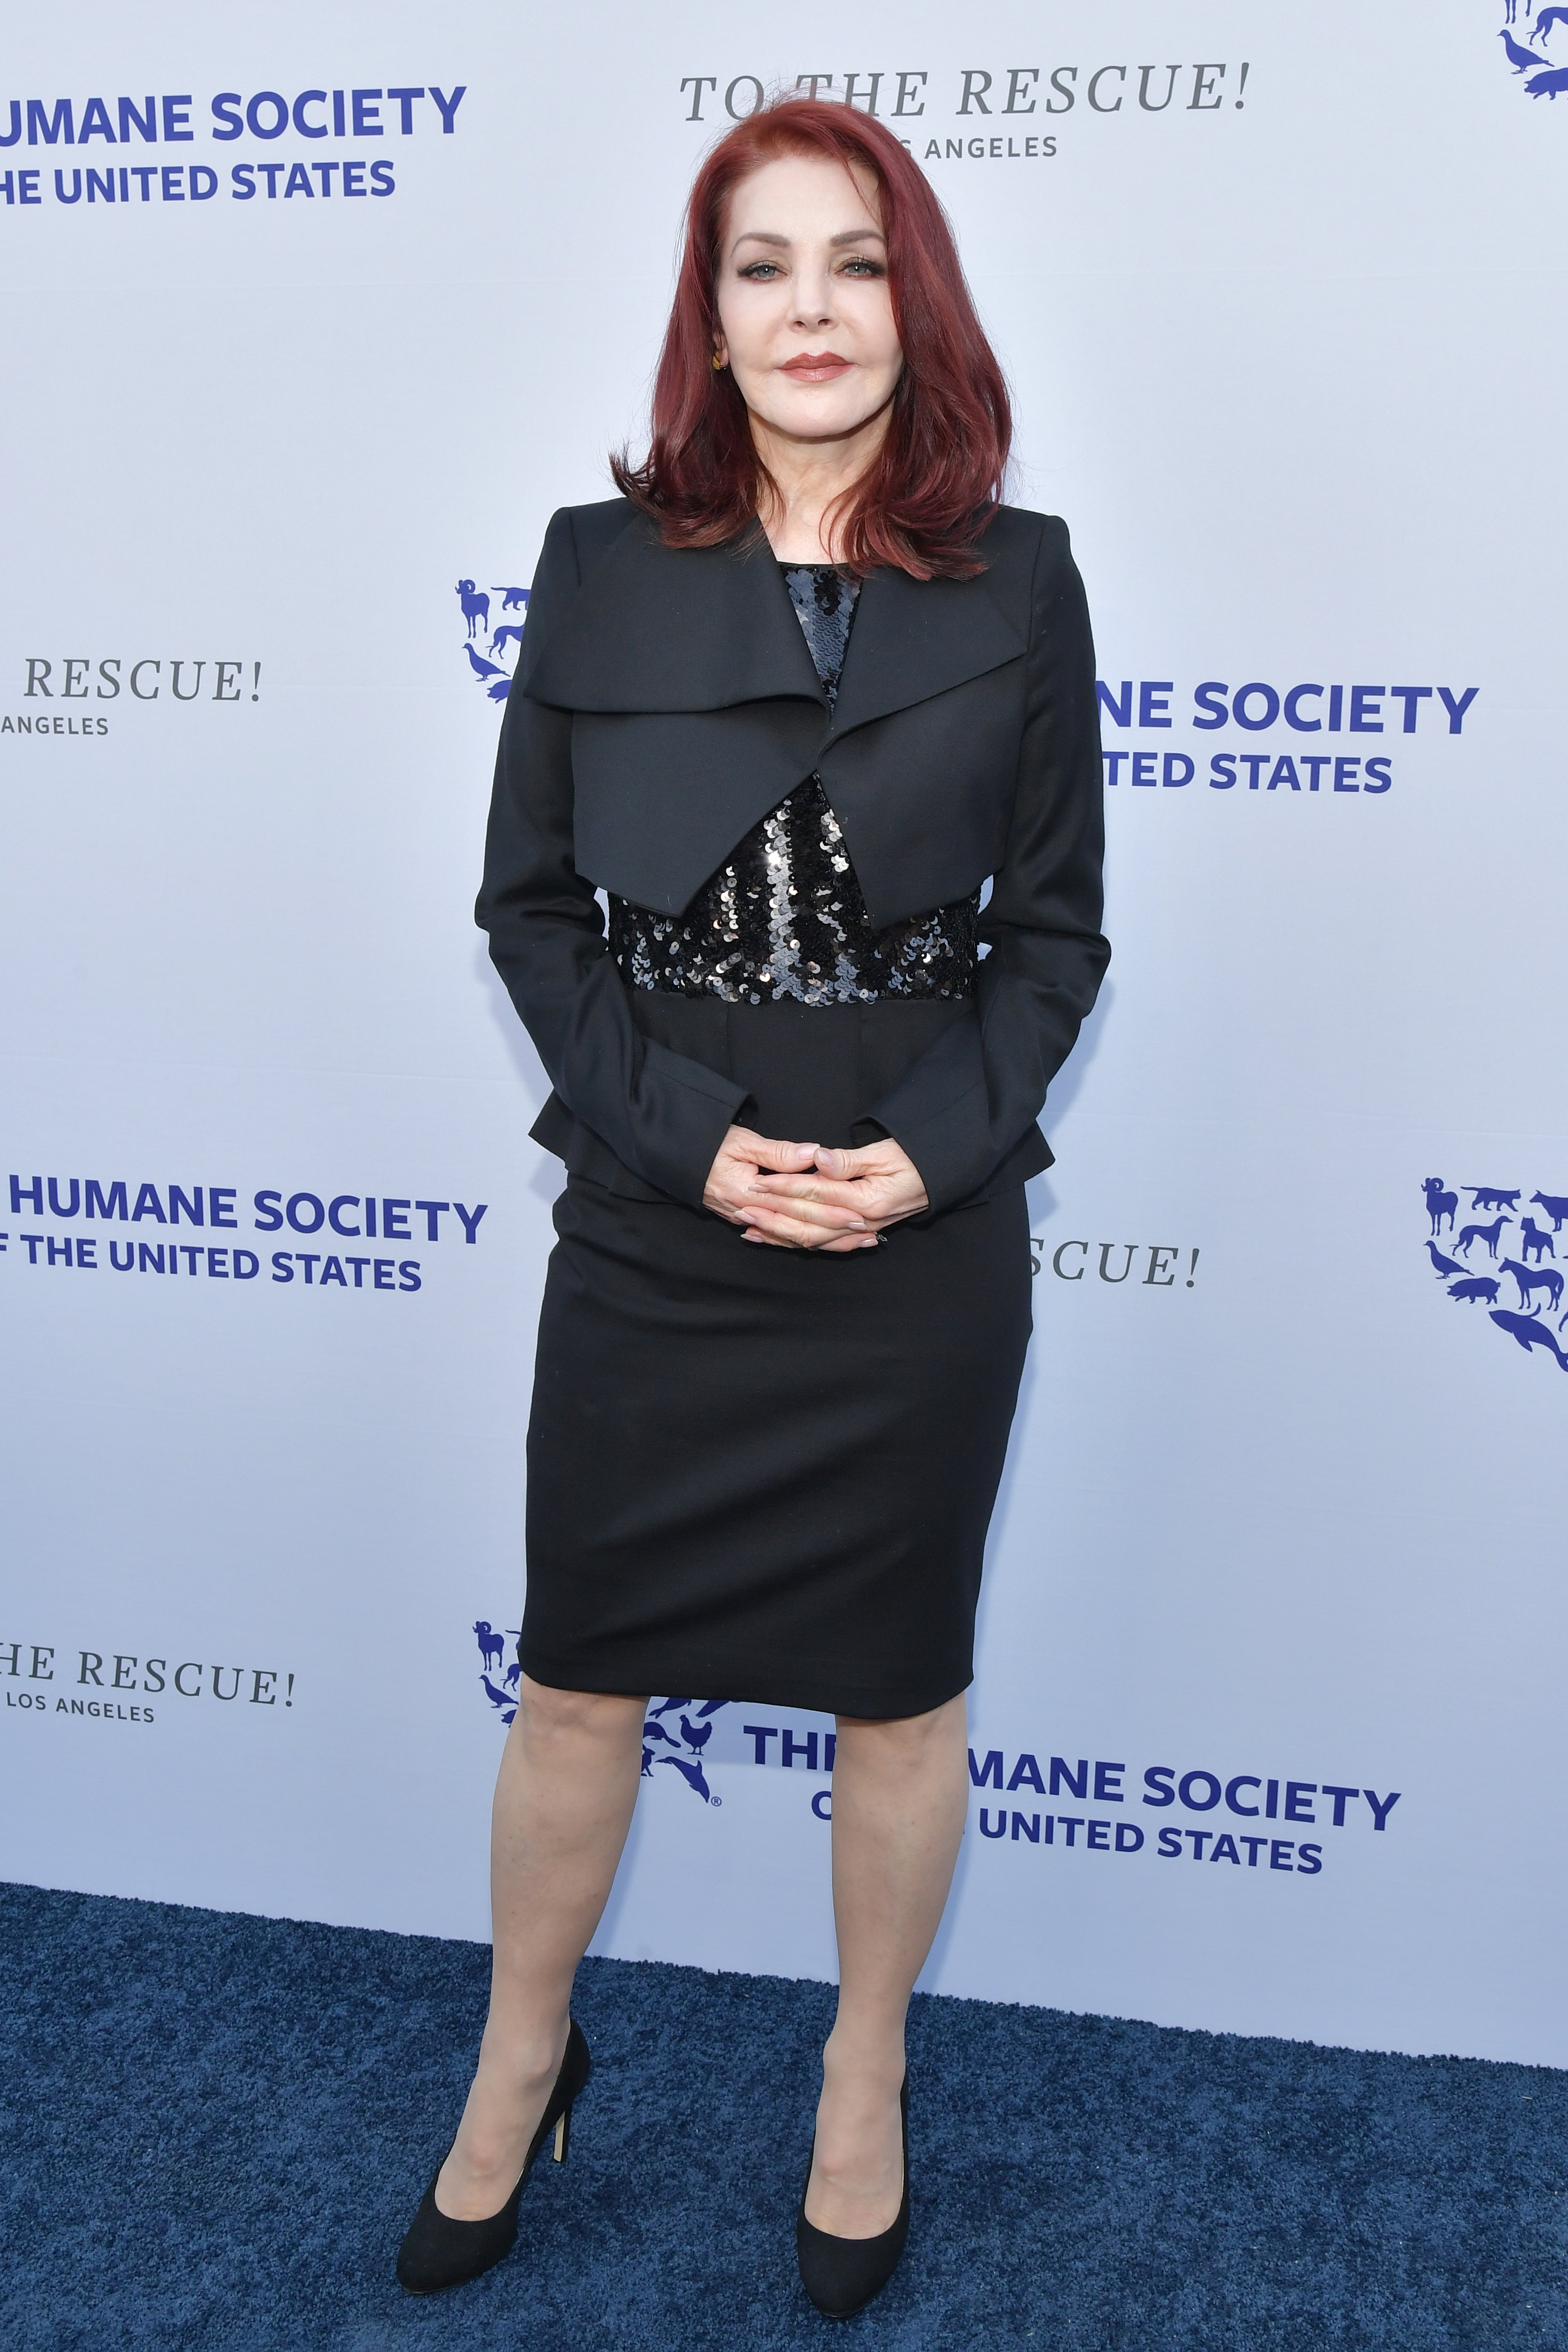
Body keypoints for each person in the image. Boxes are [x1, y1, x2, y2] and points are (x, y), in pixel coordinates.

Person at [397, 95, 1108, 2320]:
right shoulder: (597, 564)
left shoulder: (1023, 573)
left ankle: (861, 2078)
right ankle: (521, 2063)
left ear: (918, 301)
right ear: (706, 314)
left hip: (918, 1214)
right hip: (653, 1197)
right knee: (579, 1681)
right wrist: (688, 1143)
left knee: (895, 1692)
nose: (808, 309)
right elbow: (531, 919)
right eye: (760, 265)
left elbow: (1054, 942)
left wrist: (936, 1150)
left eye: (853, 262)